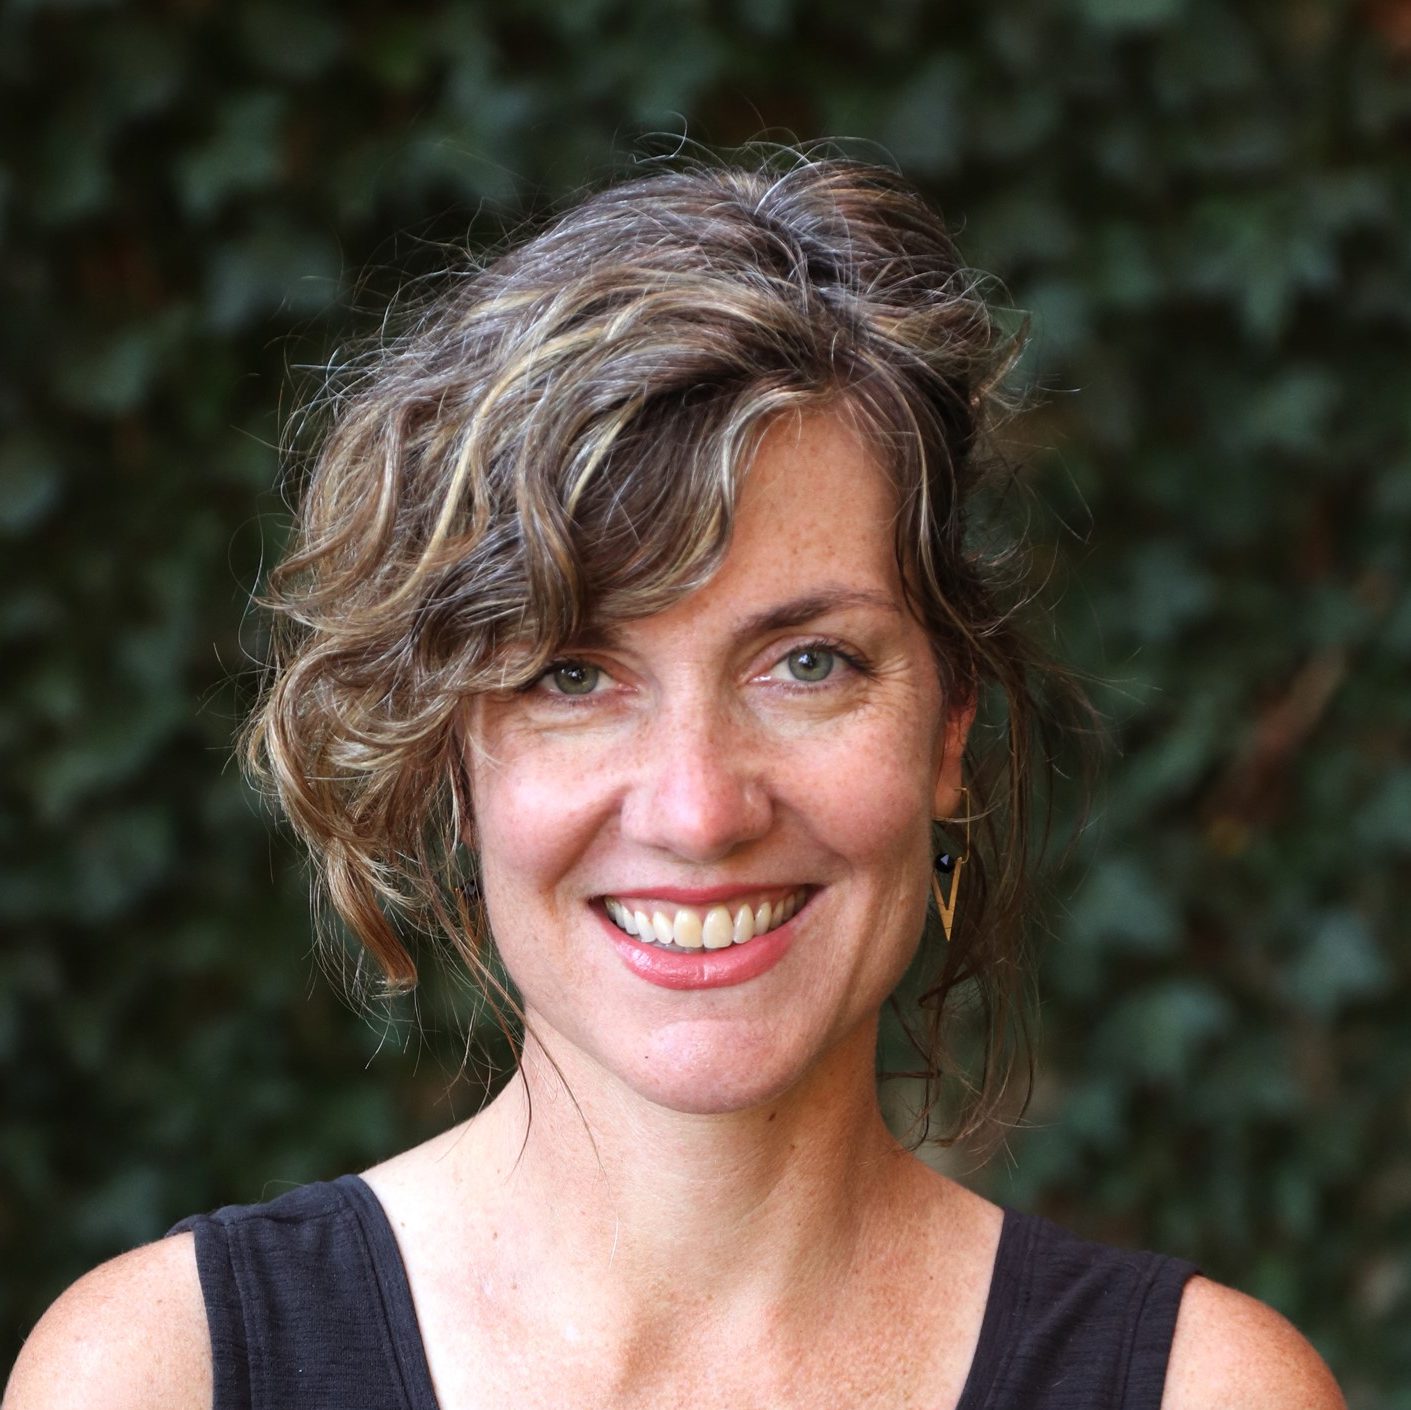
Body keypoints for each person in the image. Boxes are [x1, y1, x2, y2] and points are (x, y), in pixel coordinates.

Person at [5, 153, 1345, 1410]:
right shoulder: (162, 1375)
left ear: (948, 732)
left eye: (808, 662)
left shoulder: (1202, 1391)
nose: (699, 809)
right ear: (452, 757)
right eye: (572, 675)